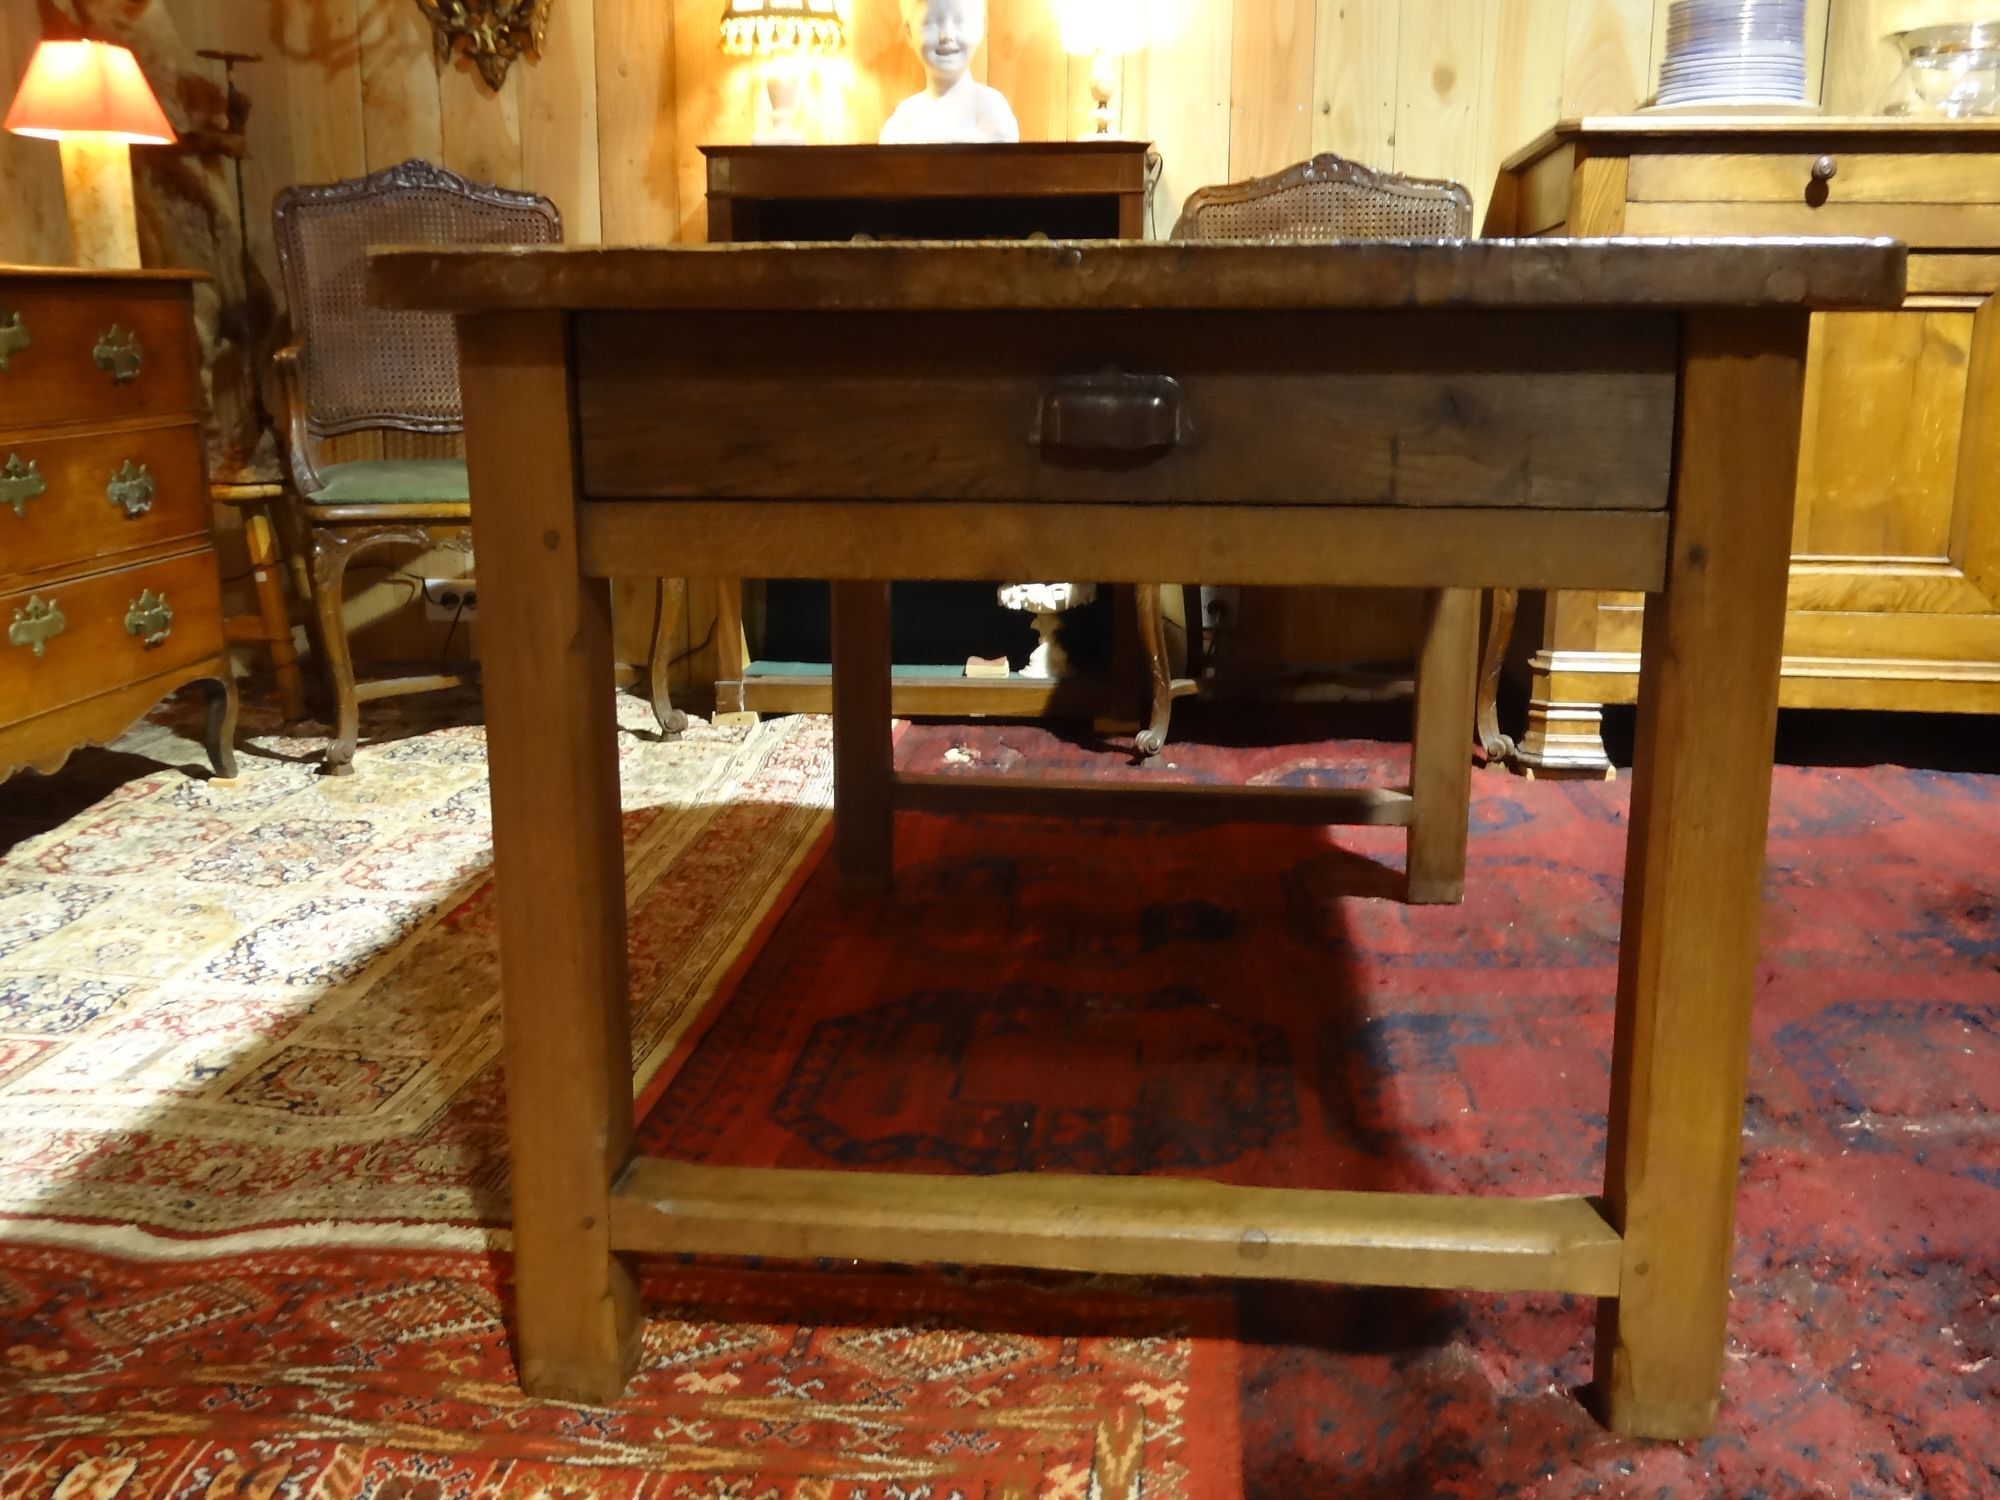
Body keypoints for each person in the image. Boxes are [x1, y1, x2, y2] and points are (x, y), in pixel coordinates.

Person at [879, 0, 1020, 145]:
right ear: (909, 33)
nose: (946, 35)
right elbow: (887, 151)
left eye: (961, 21)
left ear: (981, 28)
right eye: (930, 23)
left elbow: (1002, 144)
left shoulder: (988, 103)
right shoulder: (907, 114)